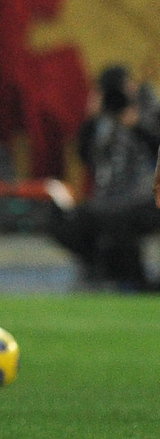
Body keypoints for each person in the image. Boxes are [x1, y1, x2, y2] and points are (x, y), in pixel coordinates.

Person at [53, 66, 160, 289]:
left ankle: (136, 281)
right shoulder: (99, 121)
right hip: (106, 200)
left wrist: (137, 125)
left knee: (119, 220)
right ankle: (98, 270)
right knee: (67, 223)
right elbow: (83, 156)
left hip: (145, 199)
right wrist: (91, 119)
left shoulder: (148, 109)